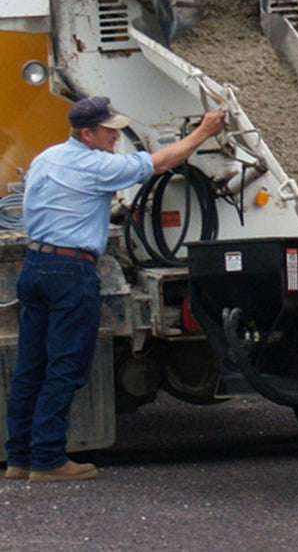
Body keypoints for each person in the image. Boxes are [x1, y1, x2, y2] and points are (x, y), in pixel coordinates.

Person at [4, 96, 225, 483]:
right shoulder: (94, 165)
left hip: (36, 266)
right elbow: (161, 163)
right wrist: (203, 132)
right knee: (66, 366)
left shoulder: (47, 158)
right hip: (71, 270)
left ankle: (20, 458)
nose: (115, 138)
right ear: (87, 133)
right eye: (109, 132)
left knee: (31, 367)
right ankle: (49, 459)